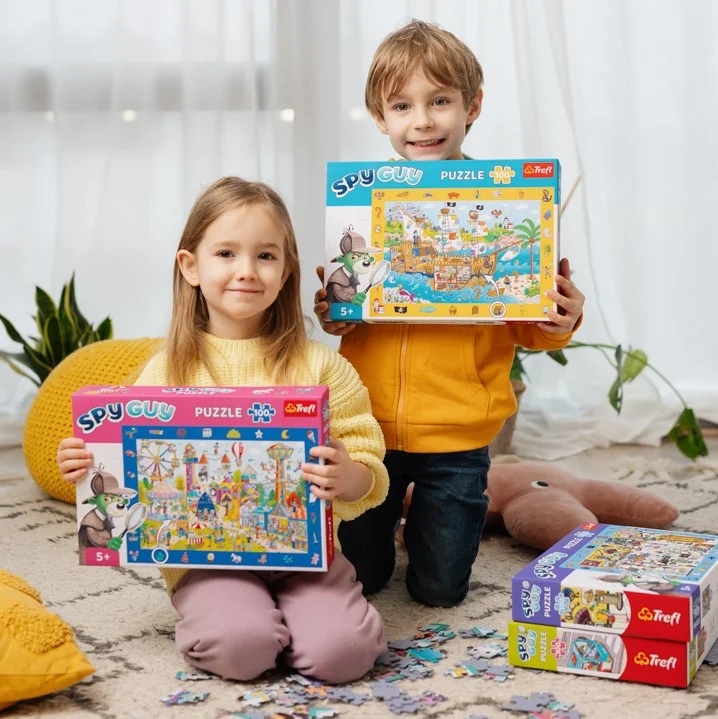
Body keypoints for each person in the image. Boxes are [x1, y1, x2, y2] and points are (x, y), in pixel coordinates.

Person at [58, 176, 389, 683]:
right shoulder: (165, 370)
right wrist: (84, 466)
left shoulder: (322, 366)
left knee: (341, 655)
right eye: (226, 253)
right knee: (241, 650)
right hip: (206, 561)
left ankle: (300, 622)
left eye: (266, 256)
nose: (246, 270)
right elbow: (123, 470)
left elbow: (368, 463)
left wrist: (350, 476)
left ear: (287, 270)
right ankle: (251, 620)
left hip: (308, 558)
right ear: (191, 266)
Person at [314, 20, 585, 608]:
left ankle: (435, 518)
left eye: (440, 101)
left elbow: (529, 324)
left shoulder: (508, 203)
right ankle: (398, 521)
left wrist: (558, 319)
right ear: (380, 117)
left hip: (458, 435)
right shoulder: (361, 203)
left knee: (439, 591)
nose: (423, 121)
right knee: (363, 579)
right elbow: (347, 311)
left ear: (472, 106)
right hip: (369, 428)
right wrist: (337, 313)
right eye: (402, 106)